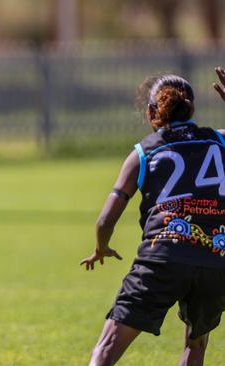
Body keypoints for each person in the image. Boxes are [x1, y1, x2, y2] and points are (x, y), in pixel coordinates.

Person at [80, 69, 225, 366]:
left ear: (151, 111)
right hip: (216, 257)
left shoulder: (143, 152)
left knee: (107, 347)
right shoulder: (220, 142)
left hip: (163, 255)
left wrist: (101, 246)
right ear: (191, 107)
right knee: (195, 344)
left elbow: (105, 220)